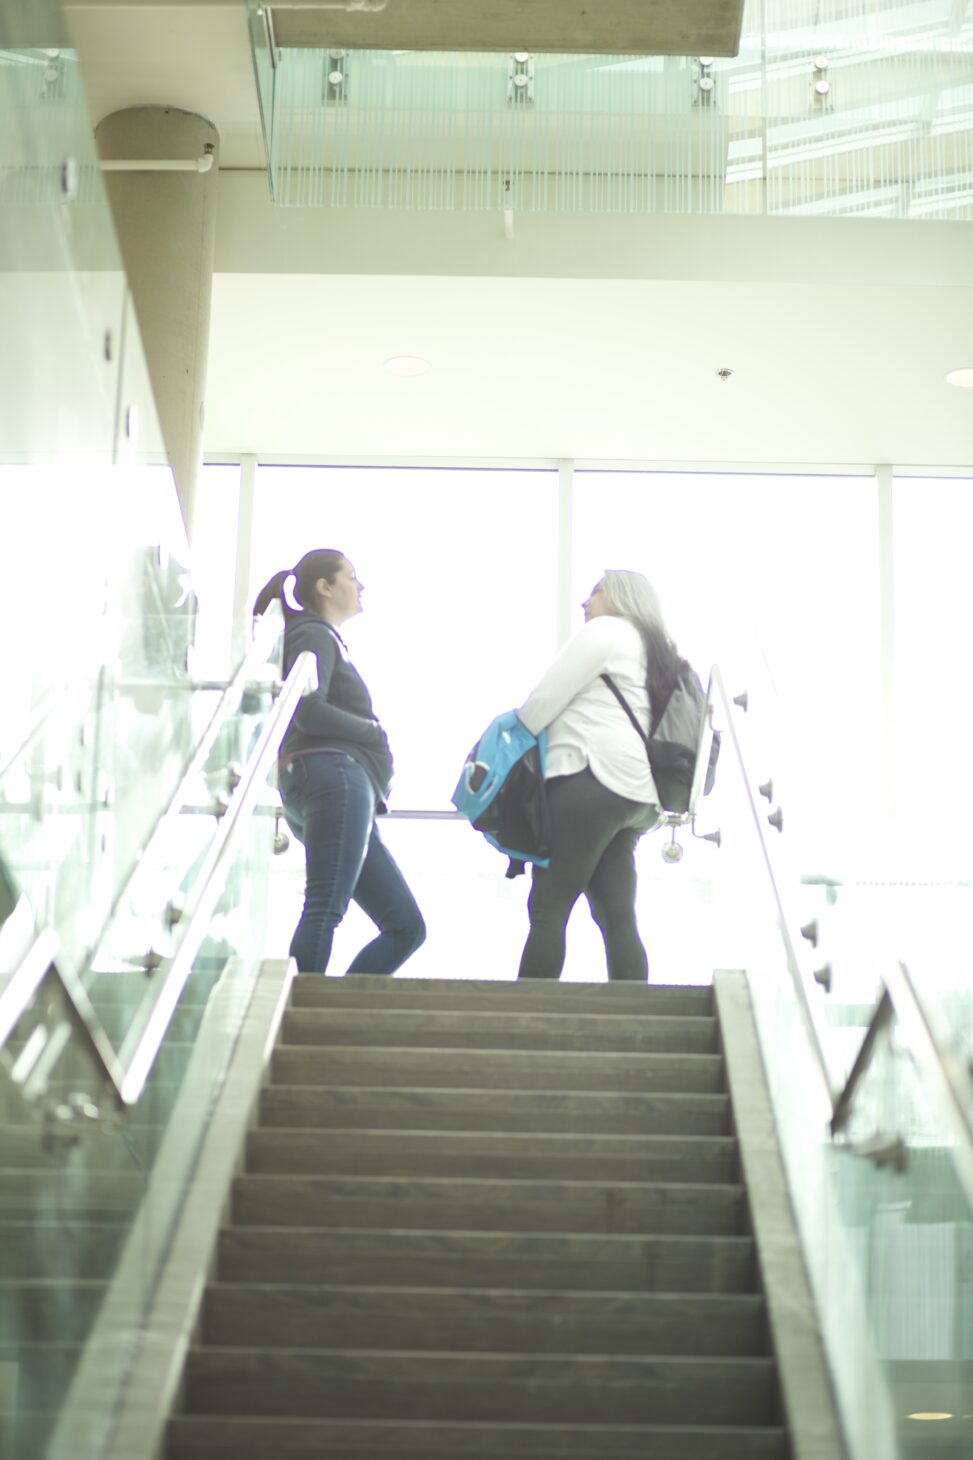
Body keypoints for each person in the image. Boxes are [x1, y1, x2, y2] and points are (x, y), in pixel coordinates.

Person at [253, 548, 425, 975]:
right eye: (351, 576)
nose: (360, 584)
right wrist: (372, 730)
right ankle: (295, 1013)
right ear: (324, 587)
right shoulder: (313, 634)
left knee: (406, 926)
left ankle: (332, 1008)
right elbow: (306, 709)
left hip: (340, 788)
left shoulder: (321, 637)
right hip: (334, 779)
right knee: (325, 905)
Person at [515, 569, 685, 982]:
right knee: (617, 916)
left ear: (622, 597)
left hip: (590, 777)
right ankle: (634, 1024)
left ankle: (522, 1027)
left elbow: (543, 701)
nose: (585, 602)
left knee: (548, 910)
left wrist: (514, 735)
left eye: (595, 592)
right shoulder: (658, 648)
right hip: (637, 796)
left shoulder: (607, 631)